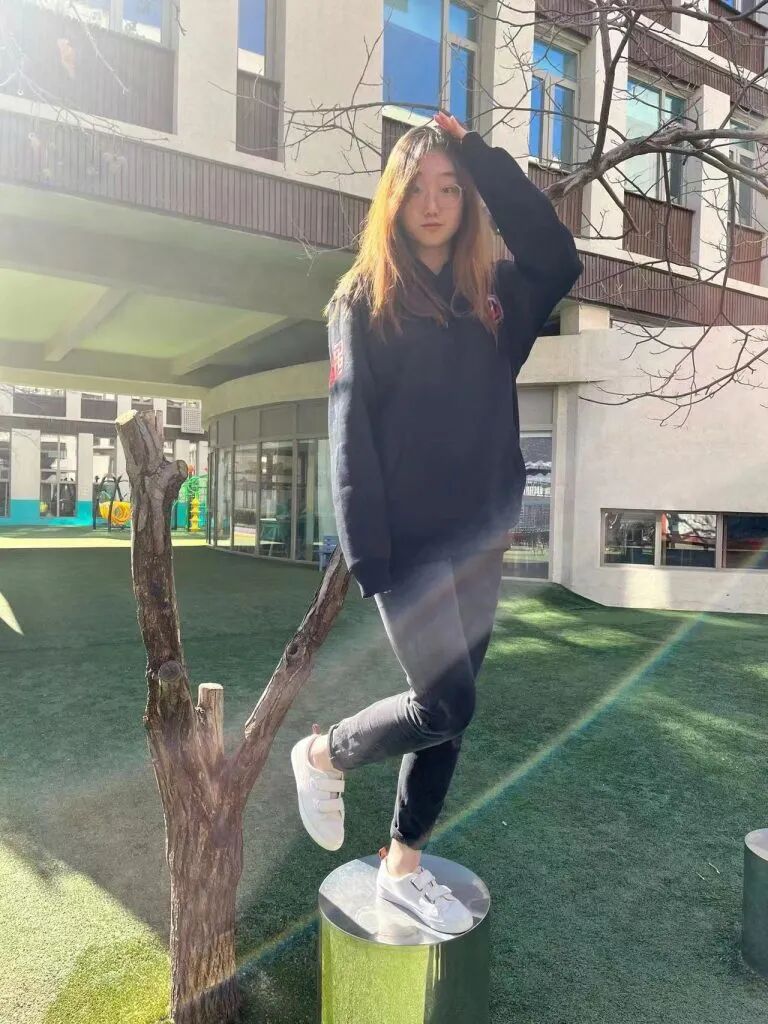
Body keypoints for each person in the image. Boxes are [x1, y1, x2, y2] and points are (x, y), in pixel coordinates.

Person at [291, 110, 583, 934]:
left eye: (450, 189)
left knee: (453, 712)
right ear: (393, 198)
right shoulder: (361, 299)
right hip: (408, 544)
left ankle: (403, 865)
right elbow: (349, 427)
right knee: (445, 703)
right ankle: (323, 753)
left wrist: (480, 158)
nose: (433, 204)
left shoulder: (495, 296)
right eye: (417, 188)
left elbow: (559, 257)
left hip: (481, 536)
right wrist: (367, 552)